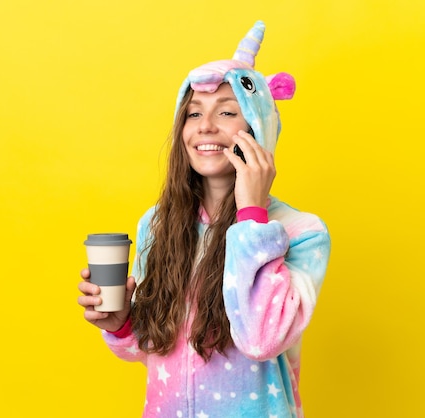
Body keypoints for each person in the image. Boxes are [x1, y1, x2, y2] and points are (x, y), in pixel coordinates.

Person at [78, 20, 331, 418]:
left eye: (227, 111)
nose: (205, 127)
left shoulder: (301, 233)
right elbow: (152, 349)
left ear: (257, 128)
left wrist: (252, 215)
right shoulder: (157, 225)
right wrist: (121, 322)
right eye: (193, 114)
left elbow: (262, 338)